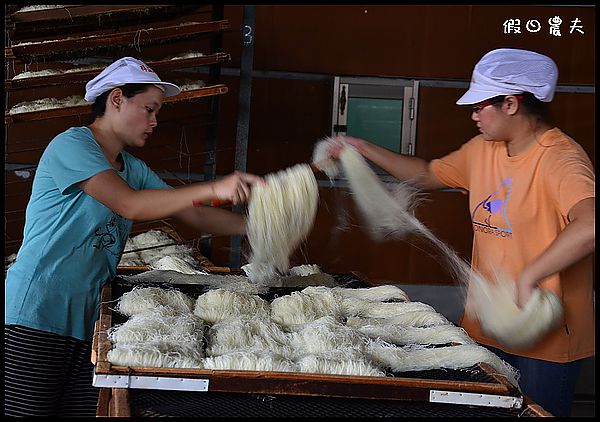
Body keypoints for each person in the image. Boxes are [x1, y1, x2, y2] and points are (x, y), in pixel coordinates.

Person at [328, 48, 594, 417]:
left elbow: (591, 223)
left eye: (480, 106)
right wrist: (361, 148)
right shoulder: (482, 150)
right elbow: (425, 173)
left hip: (545, 340)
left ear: (512, 104)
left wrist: (531, 274)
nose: (473, 115)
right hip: (487, 328)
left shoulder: (561, 159)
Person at [4, 56, 263, 416]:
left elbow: (193, 213)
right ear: (116, 99)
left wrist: (259, 227)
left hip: (89, 321)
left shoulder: (134, 169)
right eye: (148, 109)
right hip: (38, 309)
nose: (154, 121)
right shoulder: (72, 146)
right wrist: (217, 185)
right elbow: (130, 205)